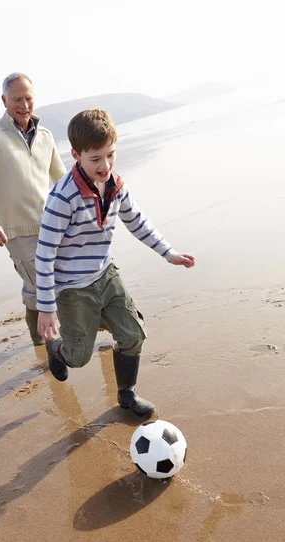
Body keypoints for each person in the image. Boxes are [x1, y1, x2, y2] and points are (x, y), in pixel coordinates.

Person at [35, 109, 195, 418]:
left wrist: (169, 253)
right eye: (95, 159)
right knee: (79, 357)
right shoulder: (62, 199)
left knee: (134, 333)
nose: (105, 165)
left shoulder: (116, 185)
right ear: (76, 155)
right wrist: (46, 306)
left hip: (106, 274)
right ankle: (56, 350)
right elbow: (45, 254)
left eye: (110, 155)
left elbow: (137, 222)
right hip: (72, 288)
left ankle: (127, 394)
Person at [0, 73, 66, 345]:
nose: (24, 105)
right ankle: (48, 346)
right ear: (4, 100)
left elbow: (63, 181)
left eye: (28, 98)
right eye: (17, 99)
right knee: (40, 287)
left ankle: (45, 342)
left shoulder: (45, 135)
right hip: (16, 232)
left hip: (52, 225)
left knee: (55, 282)